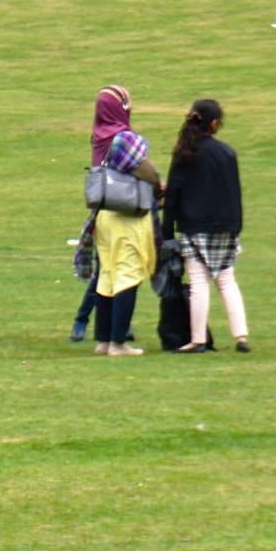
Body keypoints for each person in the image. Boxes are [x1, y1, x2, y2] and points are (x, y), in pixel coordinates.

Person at [163, 98, 249, 354]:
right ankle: (241, 335)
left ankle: (198, 339)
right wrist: (236, 225)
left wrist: (167, 230)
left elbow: (173, 195)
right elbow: (235, 192)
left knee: (199, 281)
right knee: (227, 280)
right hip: (226, 226)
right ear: (214, 124)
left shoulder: (184, 154)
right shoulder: (227, 153)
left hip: (194, 226)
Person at [92, 119, 160, 357]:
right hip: (126, 224)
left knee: (107, 277)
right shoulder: (138, 167)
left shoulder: (109, 166)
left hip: (105, 221)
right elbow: (155, 178)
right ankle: (118, 343)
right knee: (127, 277)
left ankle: (102, 339)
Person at [71, 85, 134, 341]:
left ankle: (94, 322)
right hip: (122, 209)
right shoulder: (123, 136)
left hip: (101, 210)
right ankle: (89, 321)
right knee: (118, 269)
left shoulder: (99, 134)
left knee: (107, 269)